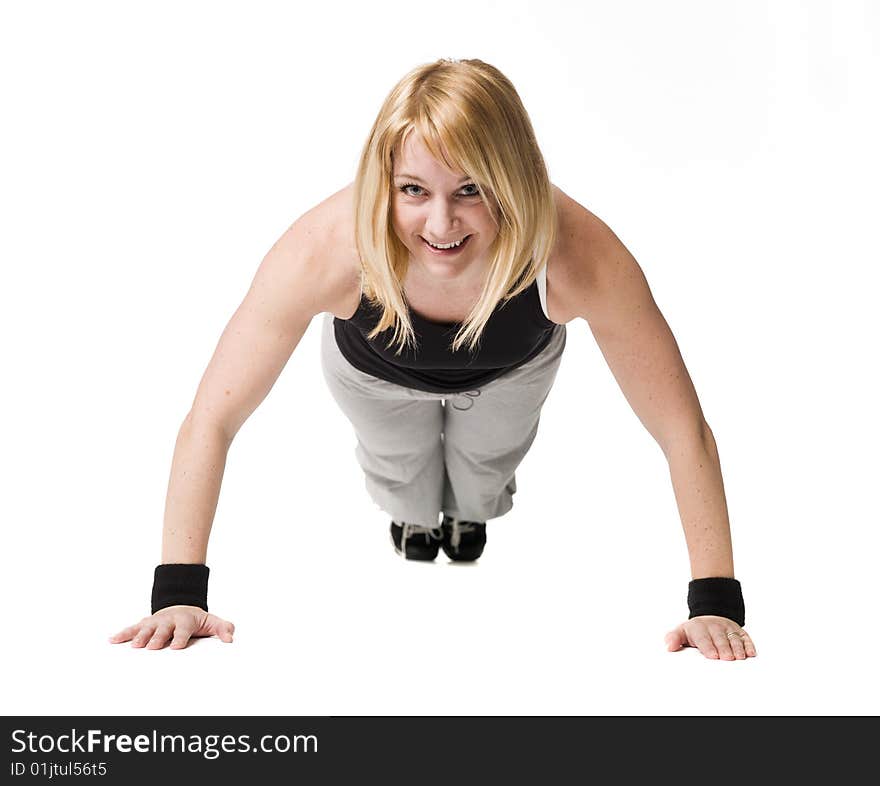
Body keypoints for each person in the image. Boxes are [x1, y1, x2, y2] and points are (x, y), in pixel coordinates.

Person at [109, 58, 756, 661]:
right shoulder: (326, 251)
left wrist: (716, 603)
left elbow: (681, 429)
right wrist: (178, 594)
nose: (441, 222)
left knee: (484, 475)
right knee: (401, 474)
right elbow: (210, 419)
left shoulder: (577, 257)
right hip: (375, 378)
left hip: (512, 373)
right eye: (414, 189)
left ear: (514, 180)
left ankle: (468, 513)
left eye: (470, 189)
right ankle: (416, 520)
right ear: (383, 184)